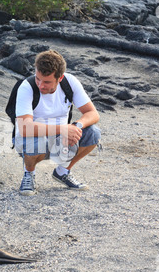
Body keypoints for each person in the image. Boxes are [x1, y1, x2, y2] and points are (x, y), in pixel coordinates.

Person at [14, 50, 101, 196]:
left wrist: (75, 127)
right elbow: (25, 128)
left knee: (93, 133)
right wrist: (63, 129)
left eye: (47, 82)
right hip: (31, 140)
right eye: (38, 79)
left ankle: (63, 171)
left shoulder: (70, 82)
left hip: (61, 141)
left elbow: (93, 113)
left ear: (59, 78)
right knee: (35, 140)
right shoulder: (26, 87)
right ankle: (28, 174)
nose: (41, 85)